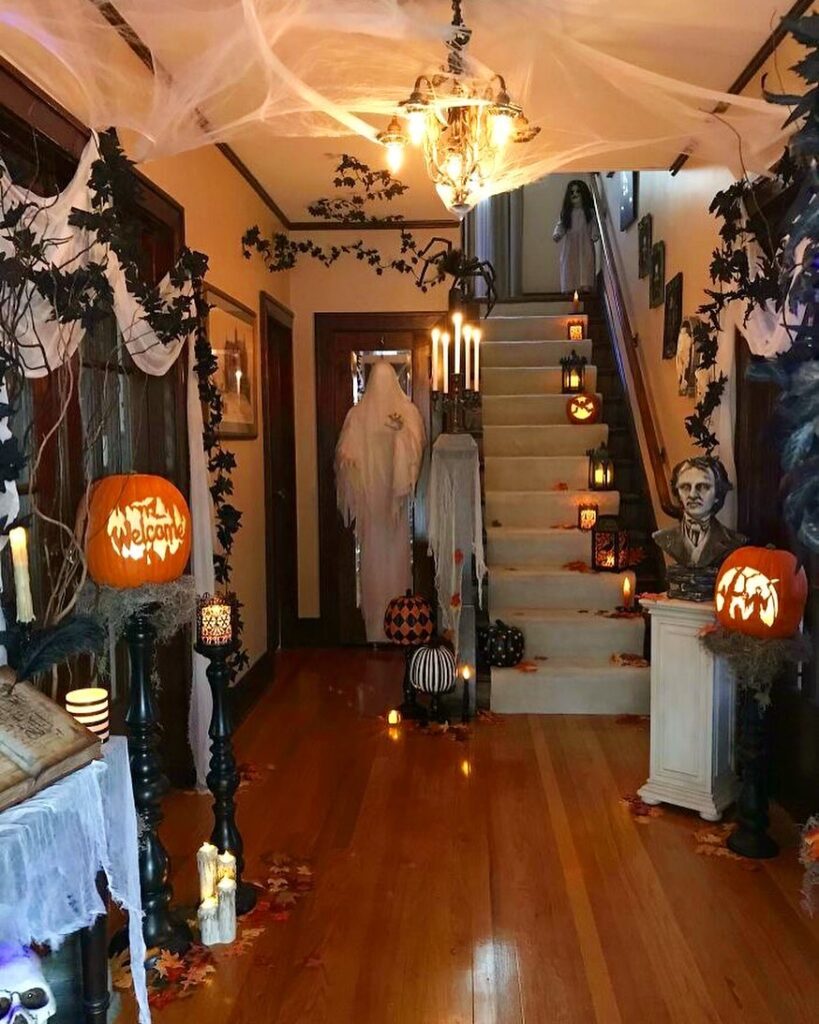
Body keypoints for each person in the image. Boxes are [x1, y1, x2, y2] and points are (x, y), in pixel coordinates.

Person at [335, 359, 425, 642]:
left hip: (394, 508)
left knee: (395, 559)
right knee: (374, 560)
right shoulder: (358, 415)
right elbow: (346, 452)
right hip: (373, 504)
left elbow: (416, 446)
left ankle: (401, 622)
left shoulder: (407, 412)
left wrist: (400, 437)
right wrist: (348, 460)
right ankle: (376, 626)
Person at [653, 456, 746, 569]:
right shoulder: (663, 537)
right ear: (677, 492)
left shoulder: (734, 540)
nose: (692, 495)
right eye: (685, 487)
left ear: (717, 493)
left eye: (702, 486)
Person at [552, 179, 599, 293]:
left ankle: (585, 287)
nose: (575, 195)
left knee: (585, 264)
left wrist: (595, 234)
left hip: (585, 243)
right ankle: (569, 287)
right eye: (572, 193)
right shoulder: (566, 214)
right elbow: (561, 225)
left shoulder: (589, 212)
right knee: (569, 265)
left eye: (578, 192)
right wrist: (557, 234)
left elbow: (593, 224)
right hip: (570, 244)